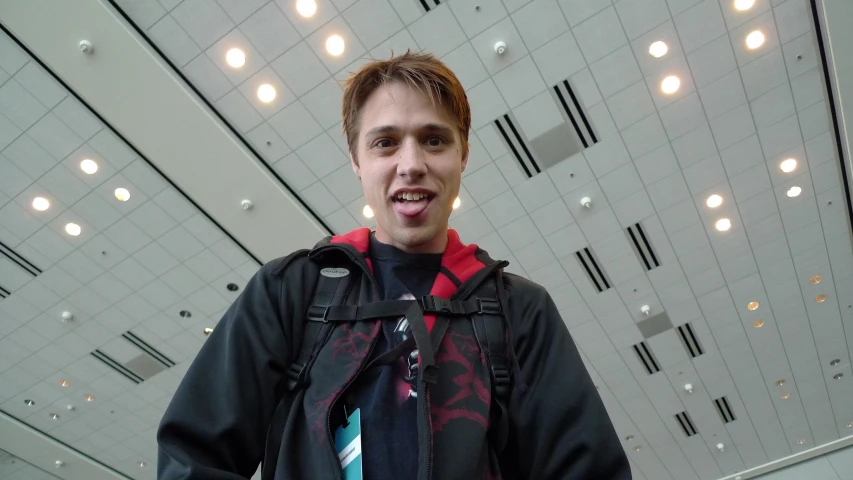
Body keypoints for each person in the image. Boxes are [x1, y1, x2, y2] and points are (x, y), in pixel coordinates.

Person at [157, 51, 630, 480]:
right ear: (357, 161)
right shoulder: (292, 291)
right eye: (385, 143)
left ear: (463, 155)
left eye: (433, 140)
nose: (411, 164)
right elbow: (192, 458)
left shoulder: (519, 311)